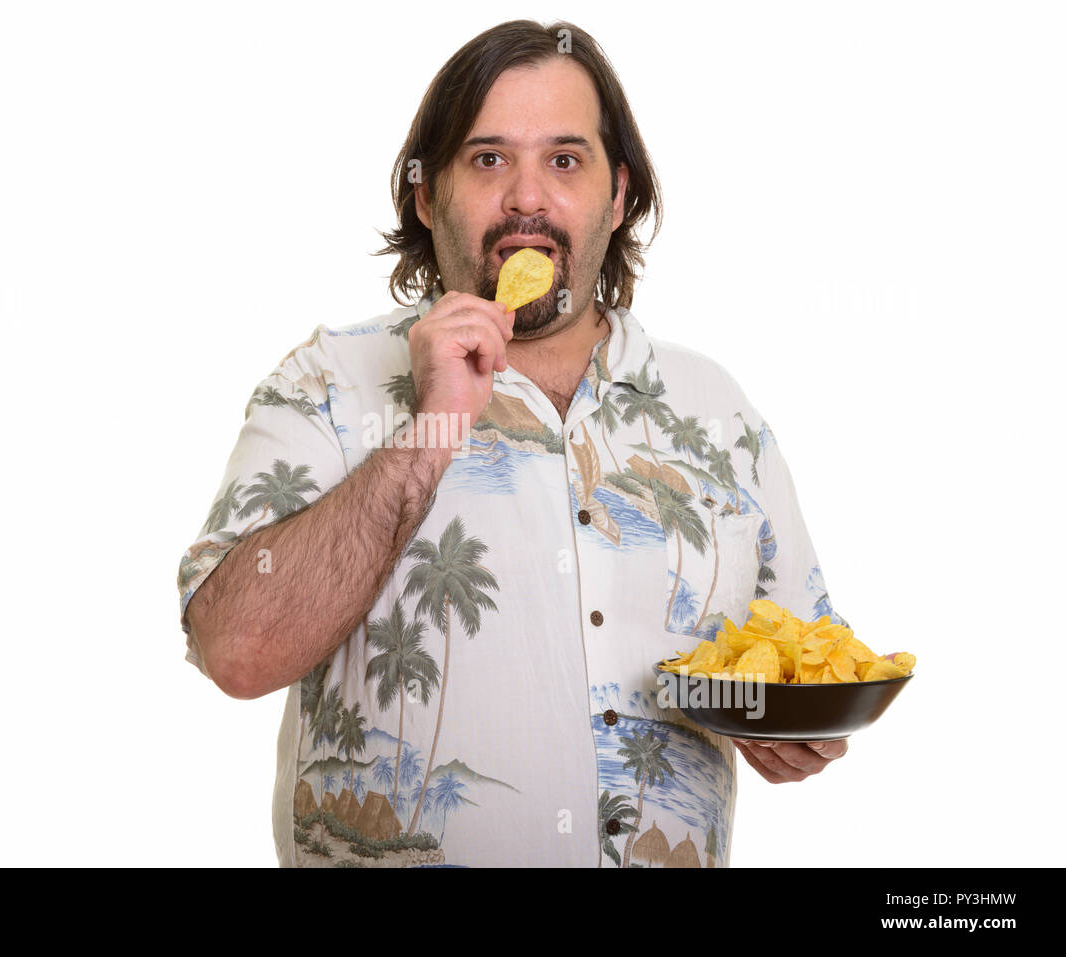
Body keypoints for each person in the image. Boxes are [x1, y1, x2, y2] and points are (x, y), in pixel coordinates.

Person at [176, 19, 848, 868]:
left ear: (617, 196)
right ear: (427, 196)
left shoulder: (719, 410)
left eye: (565, 160)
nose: (528, 197)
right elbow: (235, 649)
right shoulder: (328, 384)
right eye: (489, 159)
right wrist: (435, 427)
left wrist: (793, 733)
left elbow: (805, 673)